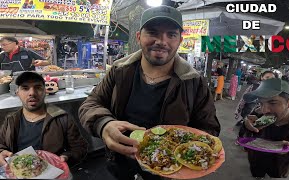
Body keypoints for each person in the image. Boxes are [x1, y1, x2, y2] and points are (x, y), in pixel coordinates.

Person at [79, 5, 221, 180]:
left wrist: (186, 157)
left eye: (171, 35)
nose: (162, 41)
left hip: (169, 171)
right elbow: (91, 103)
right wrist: (103, 124)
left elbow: (209, 129)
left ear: (180, 41)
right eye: (153, 32)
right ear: (139, 37)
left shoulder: (193, 81)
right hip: (120, 163)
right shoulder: (120, 70)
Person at [0, 72, 88, 166]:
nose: (32, 93)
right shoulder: (11, 120)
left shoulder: (62, 118)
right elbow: (1, 145)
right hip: (18, 172)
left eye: (37, 87)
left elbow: (79, 148)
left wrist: (66, 157)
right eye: (25, 88)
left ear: (45, 91)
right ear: (18, 93)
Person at [242, 78, 289, 178]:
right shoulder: (257, 114)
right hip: (256, 163)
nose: (264, 110)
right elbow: (244, 140)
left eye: (273, 103)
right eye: (261, 103)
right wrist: (246, 126)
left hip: (280, 170)